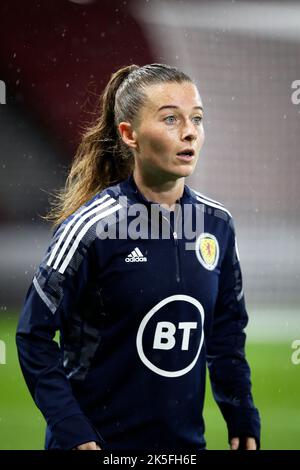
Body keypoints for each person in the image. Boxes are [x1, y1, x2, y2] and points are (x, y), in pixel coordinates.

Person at [16, 63, 261, 451]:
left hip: (184, 449)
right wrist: (73, 431)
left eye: (197, 119)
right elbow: (33, 336)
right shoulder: (92, 228)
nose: (189, 132)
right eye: (170, 119)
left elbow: (226, 333)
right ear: (129, 134)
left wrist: (242, 415)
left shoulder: (217, 225)